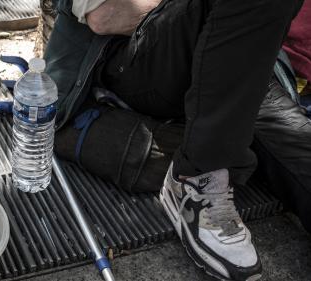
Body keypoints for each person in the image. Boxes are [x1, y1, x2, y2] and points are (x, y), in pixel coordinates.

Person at [44, 0, 304, 280]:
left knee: (299, 149)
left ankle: (211, 145)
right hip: (136, 60)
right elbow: (105, 16)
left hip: (231, 54)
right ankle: (198, 175)